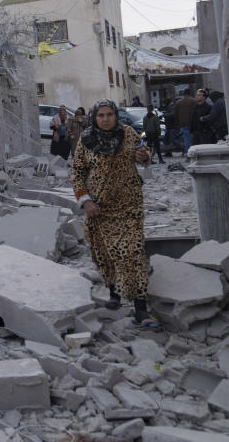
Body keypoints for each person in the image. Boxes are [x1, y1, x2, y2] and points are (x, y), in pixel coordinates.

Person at [71, 100, 159, 328]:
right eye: (101, 115)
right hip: (99, 208)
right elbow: (77, 172)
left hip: (128, 205)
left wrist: (144, 157)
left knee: (133, 251)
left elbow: (145, 155)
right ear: (95, 117)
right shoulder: (86, 140)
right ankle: (114, 294)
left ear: (116, 116)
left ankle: (141, 308)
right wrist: (85, 200)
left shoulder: (128, 134)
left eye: (110, 114)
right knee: (107, 252)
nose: (106, 119)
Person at [173, 90, 195, 156]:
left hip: (182, 123)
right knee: (191, 138)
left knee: (186, 138)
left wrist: (177, 124)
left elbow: (175, 114)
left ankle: (187, 152)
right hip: (192, 123)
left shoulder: (178, 102)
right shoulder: (193, 101)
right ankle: (191, 153)